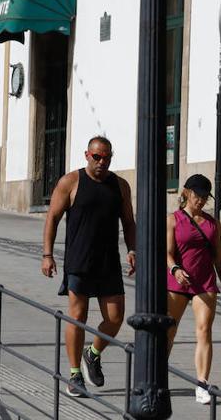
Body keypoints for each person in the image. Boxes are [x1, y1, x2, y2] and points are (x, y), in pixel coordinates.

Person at [42, 136, 137, 398]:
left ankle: (92, 354)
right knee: (78, 317)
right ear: (87, 155)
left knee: (115, 318)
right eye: (97, 157)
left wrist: (132, 249)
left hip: (108, 262)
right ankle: (74, 375)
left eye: (106, 157)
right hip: (79, 260)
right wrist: (47, 254)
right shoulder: (70, 182)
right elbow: (53, 217)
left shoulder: (120, 186)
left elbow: (129, 222)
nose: (102, 162)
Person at [165, 174, 221, 406]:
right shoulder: (174, 220)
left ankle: (202, 384)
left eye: (205, 197)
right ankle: (158, 376)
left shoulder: (213, 224)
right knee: (169, 331)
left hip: (205, 283)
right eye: (197, 195)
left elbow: (219, 258)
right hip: (178, 283)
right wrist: (174, 269)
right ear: (186, 193)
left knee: (204, 331)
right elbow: (167, 252)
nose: (201, 201)